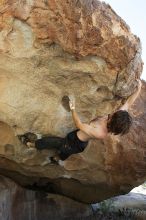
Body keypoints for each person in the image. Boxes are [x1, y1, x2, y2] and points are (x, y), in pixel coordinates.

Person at [19, 80, 142, 163]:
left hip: (74, 143)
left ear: (113, 121)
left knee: (52, 142)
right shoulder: (116, 118)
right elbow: (128, 104)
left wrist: (73, 109)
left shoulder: (100, 132)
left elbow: (79, 125)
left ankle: (33, 145)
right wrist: (139, 89)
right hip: (80, 139)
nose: (115, 111)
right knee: (64, 153)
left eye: (114, 114)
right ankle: (58, 159)